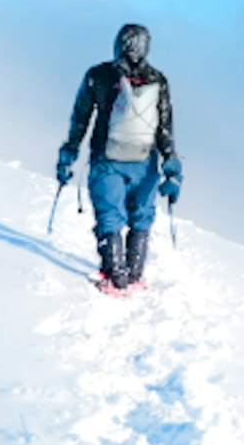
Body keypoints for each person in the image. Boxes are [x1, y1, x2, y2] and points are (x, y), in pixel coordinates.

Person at [58, 24, 179, 292]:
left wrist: (69, 153)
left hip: (106, 158)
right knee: (141, 216)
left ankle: (114, 278)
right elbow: (165, 127)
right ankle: (135, 277)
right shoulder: (158, 79)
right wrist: (171, 165)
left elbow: (81, 117)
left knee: (109, 215)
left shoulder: (98, 75)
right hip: (145, 161)